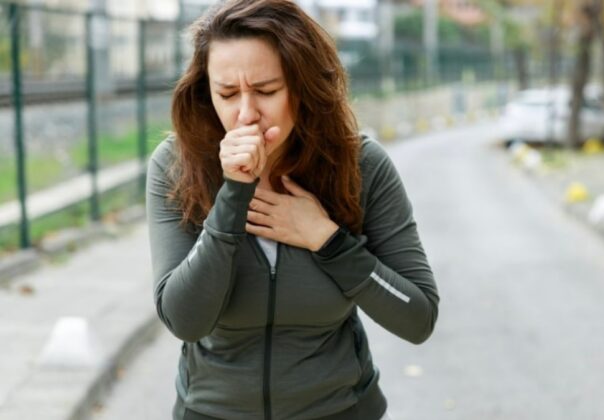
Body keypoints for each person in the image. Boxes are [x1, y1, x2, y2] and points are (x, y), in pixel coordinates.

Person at [146, 0, 439, 419]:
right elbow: (185, 319)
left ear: (303, 87)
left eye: (266, 91)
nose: (245, 113)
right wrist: (233, 194)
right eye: (227, 93)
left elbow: (418, 317)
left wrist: (327, 240)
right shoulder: (177, 166)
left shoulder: (361, 166)